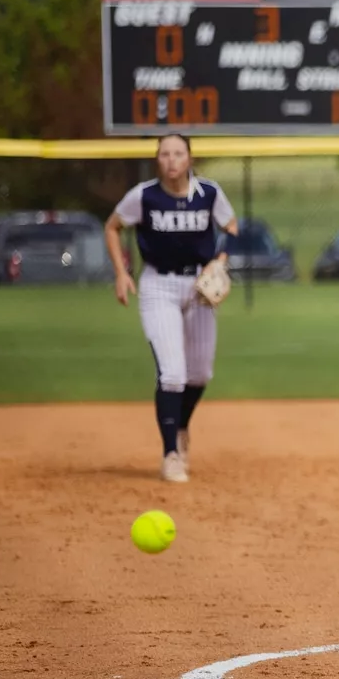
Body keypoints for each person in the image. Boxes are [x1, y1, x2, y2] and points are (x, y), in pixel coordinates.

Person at [103, 133, 238, 483]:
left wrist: (219, 262)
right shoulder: (144, 196)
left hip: (199, 287)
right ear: (157, 159)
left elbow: (231, 226)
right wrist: (121, 273)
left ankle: (180, 426)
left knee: (201, 373)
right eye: (165, 154)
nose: (172, 160)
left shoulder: (208, 193)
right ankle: (171, 455)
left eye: (179, 153)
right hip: (158, 285)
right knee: (173, 373)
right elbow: (113, 227)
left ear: (190, 158)